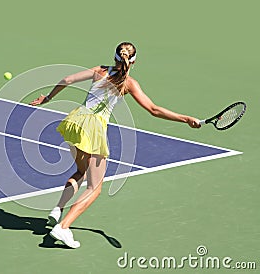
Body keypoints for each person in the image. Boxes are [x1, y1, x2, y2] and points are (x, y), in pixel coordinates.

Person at [30, 42, 201, 248]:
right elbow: (154, 109)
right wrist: (186, 119)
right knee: (95, 188)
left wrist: (48, 97)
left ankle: (57, 209)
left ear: (115, 58)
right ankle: (63, 227)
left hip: (75, 121)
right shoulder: (129, 83)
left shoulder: (99, 70)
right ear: (133, 62)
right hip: (94, 128)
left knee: (81, 171)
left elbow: (67, 79)